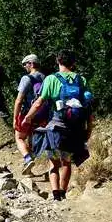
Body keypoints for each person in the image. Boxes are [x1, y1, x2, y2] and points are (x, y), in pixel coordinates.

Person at [21, 50, 94, 201]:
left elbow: (39, 102)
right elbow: (88, 108)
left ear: (58, 61)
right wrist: (89, 129)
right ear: (73, 63)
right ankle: (62, 192)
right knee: (66, 161)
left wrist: (28, 117)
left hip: (56, 127)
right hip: (74, 128)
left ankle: (55, 195)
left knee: (53, 162)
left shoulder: (51, 79)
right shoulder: (81, 80)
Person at [13, 54, 46, 175]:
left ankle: (27, 158)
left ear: (31, 63)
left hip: (27, 113)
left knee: (19, 137)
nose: (24, 67)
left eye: (25, 64)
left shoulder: (27, 78)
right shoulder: (46, 78)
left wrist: (15, 118)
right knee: (32, 139)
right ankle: (29, 166)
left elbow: (19, 100)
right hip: (41, 114)